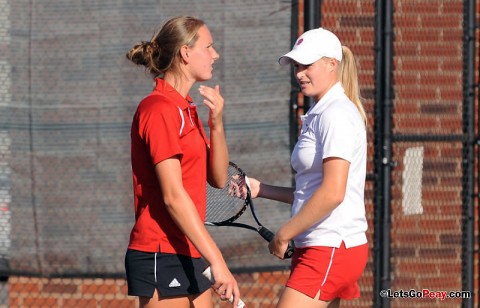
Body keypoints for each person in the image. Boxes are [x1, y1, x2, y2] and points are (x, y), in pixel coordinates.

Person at [247, 28, 368, 308]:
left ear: (331, 64)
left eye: (307, 64)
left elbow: (333, 193)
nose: (300, 73)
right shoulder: (322, 112)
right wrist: (260, 189)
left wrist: (284, 234)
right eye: (297, 66)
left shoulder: (336, 114)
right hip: (319, 246)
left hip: (330, 247)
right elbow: (312, 191)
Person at [124, 16, 240, 308]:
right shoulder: (158, 109)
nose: (216, 55)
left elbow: (218, 178)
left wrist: (217, 124)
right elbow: (174, 196)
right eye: (209, 47)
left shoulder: (186, 109)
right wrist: (218, 261)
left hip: (189, 248)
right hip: (159, 250)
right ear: (186, 54)